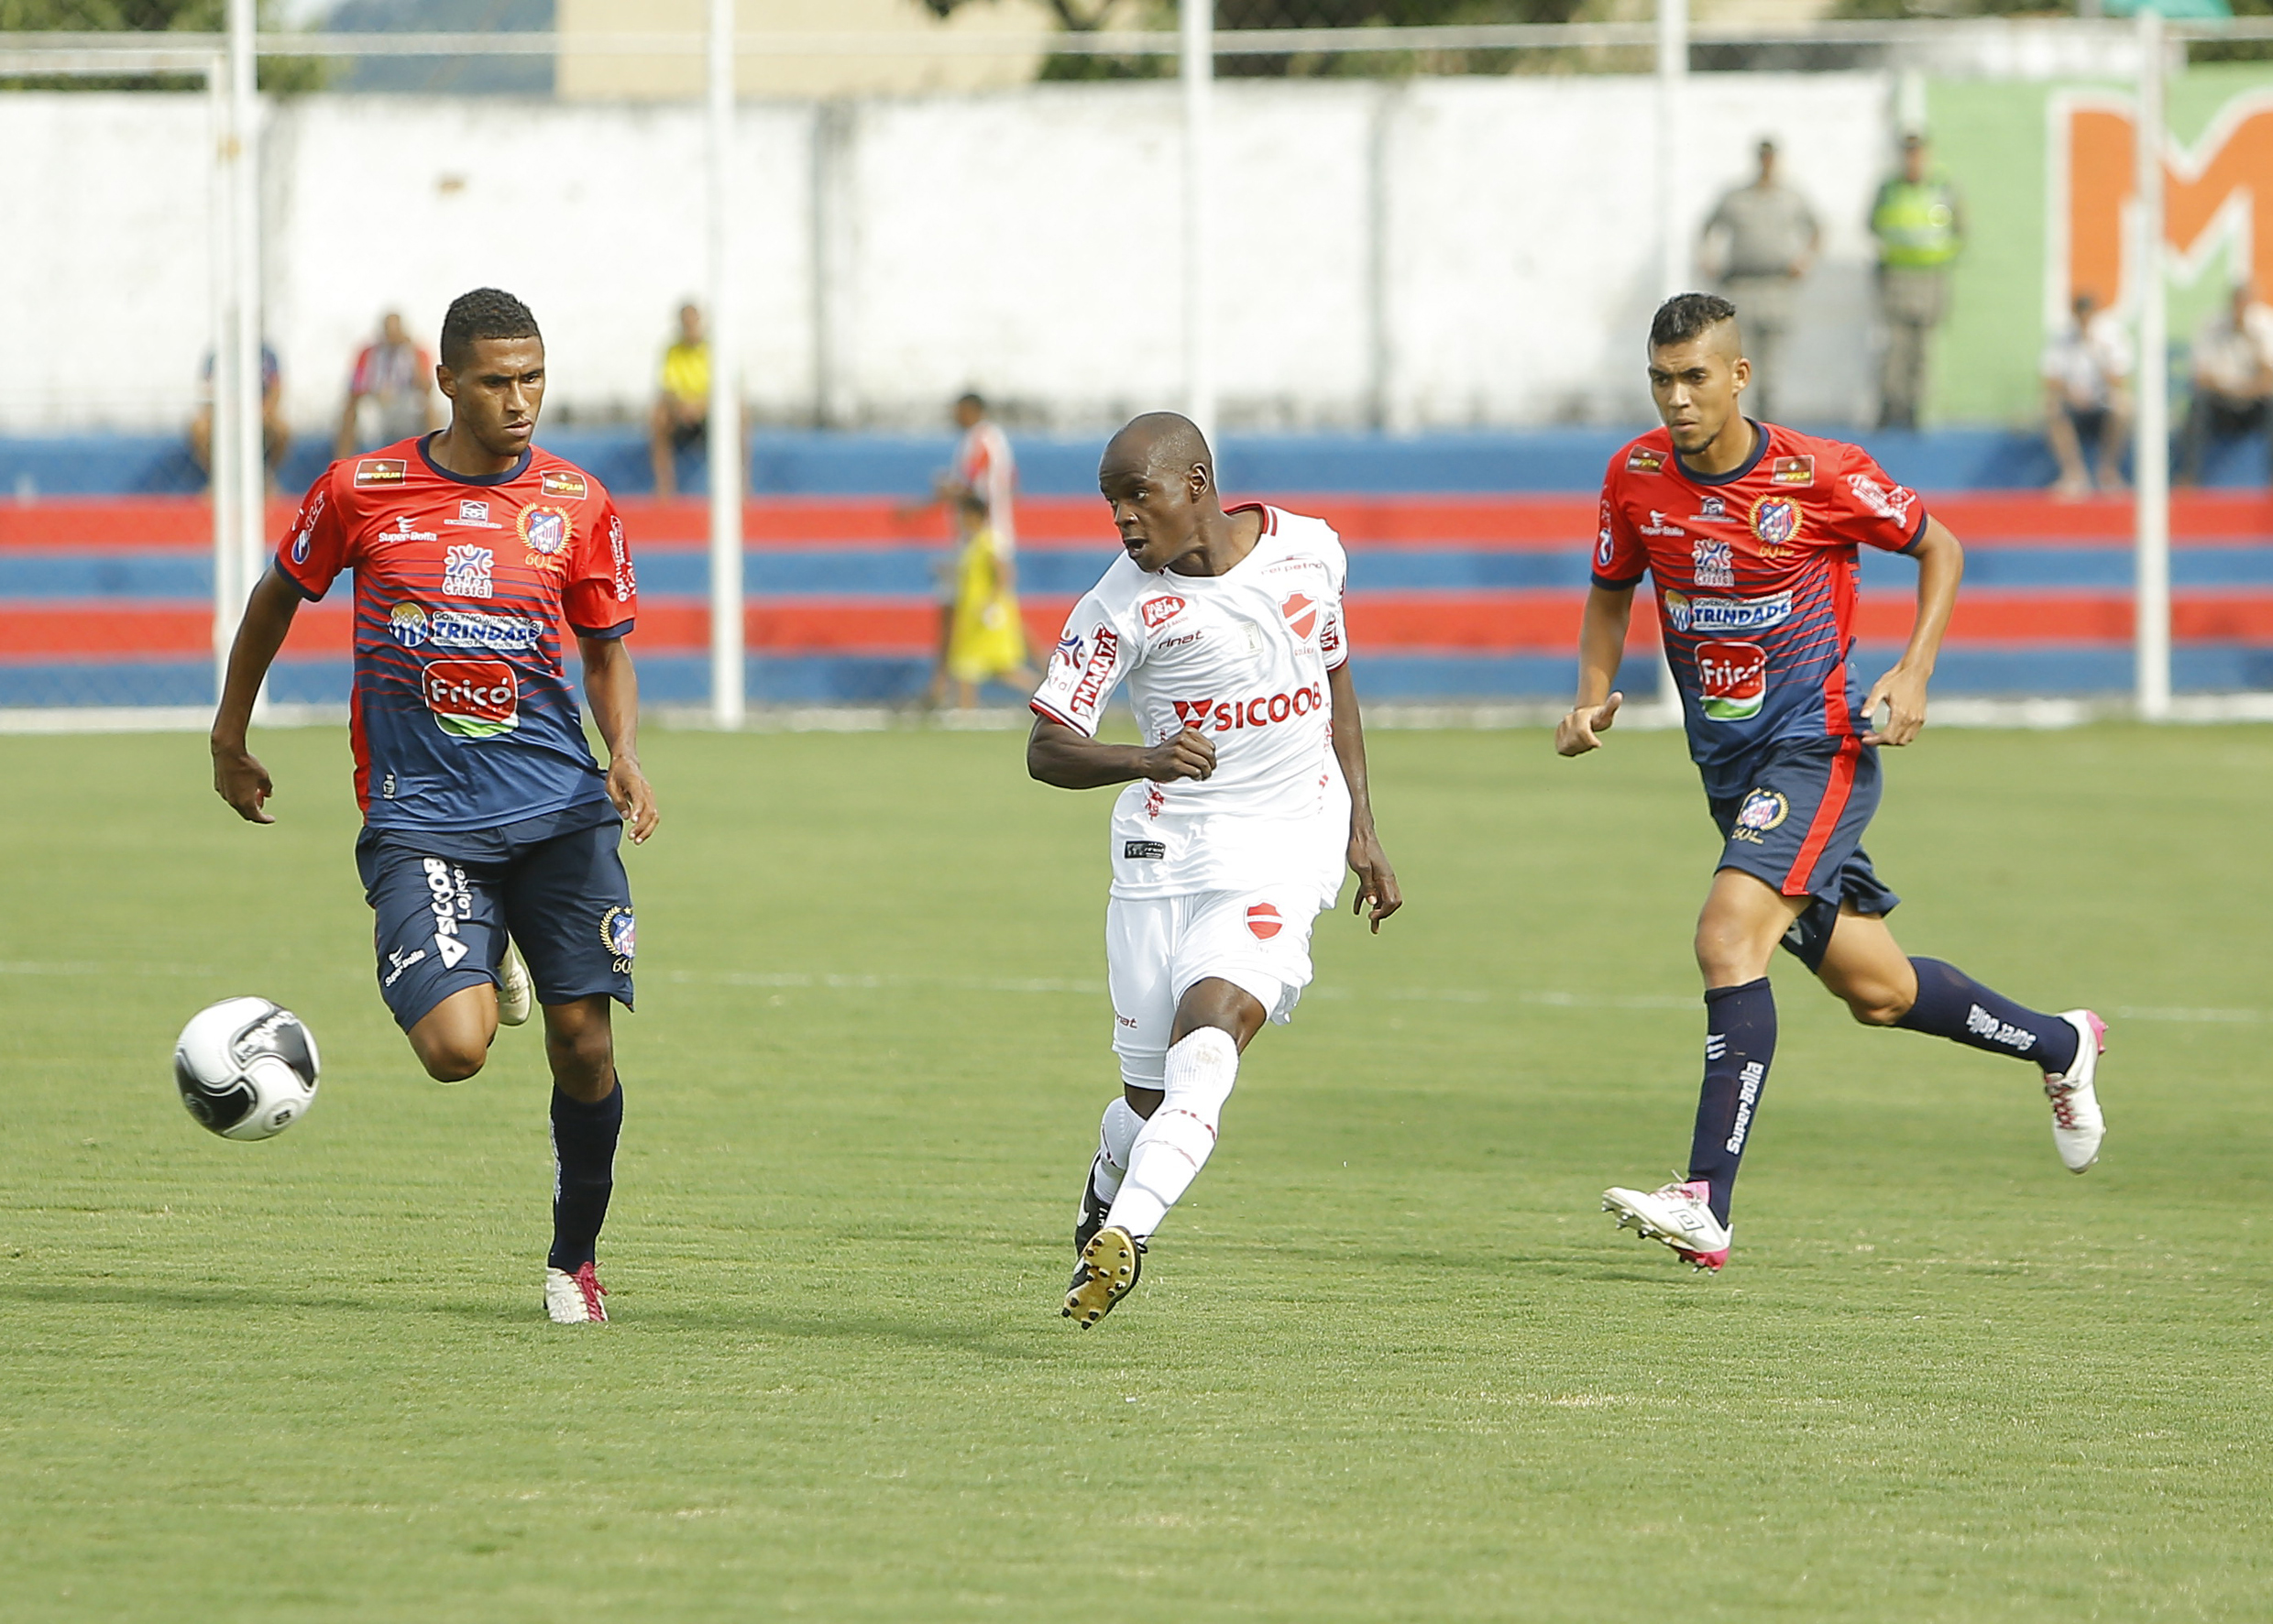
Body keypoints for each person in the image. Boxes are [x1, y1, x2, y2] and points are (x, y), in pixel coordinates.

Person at [1560, 293, 2106, 1274]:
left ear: (1737, 377)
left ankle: (1703, 1202)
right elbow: (1611, 590)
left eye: (1693, 378)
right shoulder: (1635, 476)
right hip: (1730, 772)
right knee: (1880, 990)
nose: (1675, 399)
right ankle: (2058, 1043)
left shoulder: (1817, 474)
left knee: (1725, 933)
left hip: (1817, 749)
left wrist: (1914, 668)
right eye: (1659, 379)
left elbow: (1939, 546)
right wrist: (1592, 695)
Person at [208, 287, 657, 1326]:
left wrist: (624, 752)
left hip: (559, 811)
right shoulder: (361, 489)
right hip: (423, 817)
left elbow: (605, 648)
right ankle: (481, 948)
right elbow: (276, 595)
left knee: (584, 1042)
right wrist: (230, 733)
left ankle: (572, 1260)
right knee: (455, 1051)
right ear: (445, 382)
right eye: (497, 381)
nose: (520, 400)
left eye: (534, 377)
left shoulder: (578, 502)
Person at [1028, 411, 1400, 1328]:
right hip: (1161, 858)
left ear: (1194, 484)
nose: (1121, 520)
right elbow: (1045, 749)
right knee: (1148, 1100)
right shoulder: (1116, 605)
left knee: (1211, 1037)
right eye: (1109, 504)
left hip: (1281, 844)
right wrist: (1143, 758)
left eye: (1136, 497)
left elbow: (1333, 685)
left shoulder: (1309, 552)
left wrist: (1362, 827)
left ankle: (1127, 1233)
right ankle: (1114, 1170)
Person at [1699, 139, 1819, 422]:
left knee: (1772, 362)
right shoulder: (1736, 198)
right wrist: (1708, 259)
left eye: (1771, 157)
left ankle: (1769, 421)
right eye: (1762, 157)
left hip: (1776, 286)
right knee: (1736, 357)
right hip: (1741, 284)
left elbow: (1816, 229)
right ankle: (1734, 420)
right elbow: (1708, 227)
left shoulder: (1790, 197)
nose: (1767, 163)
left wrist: (1805, 261)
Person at [930, 392, 1035, 707]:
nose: (955, 416)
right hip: (983, 533)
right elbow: (1010, 482)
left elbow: (972, 484)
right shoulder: (991, 441)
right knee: (962, 607)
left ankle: (941, 685)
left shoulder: (982, 440)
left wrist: (946, 490)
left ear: (972, 410)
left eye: (959, 410)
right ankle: (948, 687)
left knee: (955, 608)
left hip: (984, 535)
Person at [1869, 133, 1964, 431]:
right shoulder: (1889, 189)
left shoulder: (1942, 188)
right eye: (1908, 153)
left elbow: (1960, 230)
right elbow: (1872, 224)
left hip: (1931, 277)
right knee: (1895, 348)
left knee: (1922, 349)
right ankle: (1890, 406)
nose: (1913, 160)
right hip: (1897, 277)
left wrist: (1939, 257)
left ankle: (1916, 410)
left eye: (1918, 153)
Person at [2040, 290, 2134, 499]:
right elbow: (2050, 377)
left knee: (2123, 406)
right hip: (2073, 400)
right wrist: (2071, 393)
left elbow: (2119, 379)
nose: (2084, 320)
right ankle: (2074, 475)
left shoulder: (2112, 337)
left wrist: (2096, 350)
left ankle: (2108, 472)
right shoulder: (2062, 338)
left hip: (2102, 400)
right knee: (2051, 407)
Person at [2178, 283, 2273, 487]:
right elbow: (2201, 376)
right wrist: (2230, 390)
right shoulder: (2212, 325)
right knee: (2198, 403)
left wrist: (2249, 338)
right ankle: (2190, 476)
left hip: (2254, 399)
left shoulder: (2265, 324)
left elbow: (2269, 376)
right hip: (2220, 398)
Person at [335, 311, 438, 459]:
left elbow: (427, 387)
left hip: (407, 403)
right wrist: (374, 393)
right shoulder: (368, 353)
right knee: (350, 411)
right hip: (376, 403)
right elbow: (355, 387)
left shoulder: (417, 352)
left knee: (429, 408)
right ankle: (340, 460)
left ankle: (432, 459)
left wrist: (412, 355)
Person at [191, 340, 291, 494]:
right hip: (225, 411)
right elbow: (208, 391)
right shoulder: (217, 355)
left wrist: (259, 410)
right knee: (200, 427)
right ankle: (217, 480)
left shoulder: (267, 355)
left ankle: (266, 481)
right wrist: (230, 411)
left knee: (281, 429)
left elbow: (276, 389)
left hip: (261, 412)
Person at [649, 302, 708, 499]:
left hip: (708, 410)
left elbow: (723, 389)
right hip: (681, 411)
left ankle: (741, 486)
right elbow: (668, 387)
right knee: (659, 418)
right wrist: (682, 407)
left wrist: (701, 406)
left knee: (740, 415)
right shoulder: (673, 351)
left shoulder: (714, 350)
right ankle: (665, 488)